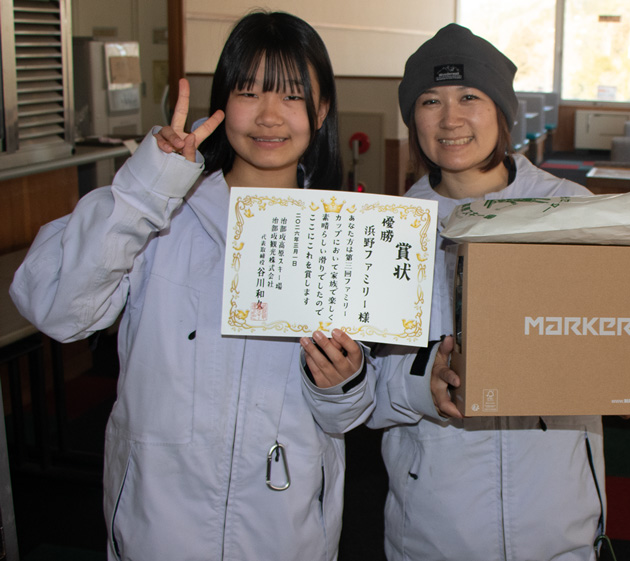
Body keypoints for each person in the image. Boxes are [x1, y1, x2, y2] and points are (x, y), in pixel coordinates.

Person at [10, 11, 375, 561]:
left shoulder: (344, 237)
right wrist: (145, 189)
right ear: (221, 102)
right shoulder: (161, 214)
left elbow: (349, 414)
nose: (269, 115)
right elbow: (56, 308)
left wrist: (341, 381)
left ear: (321, 111)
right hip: (159, 523)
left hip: (283, 526)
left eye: (293, 96)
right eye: (248, 91)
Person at [367, 24, 630, 561]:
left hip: (558, 517)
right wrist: (424, 383)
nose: (451, 119)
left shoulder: (570, 207)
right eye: (431, 100)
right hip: (436, 525)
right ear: (412, 118)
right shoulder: (391, 229)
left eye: (470, 96)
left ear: (501, 111)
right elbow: (363, 389)